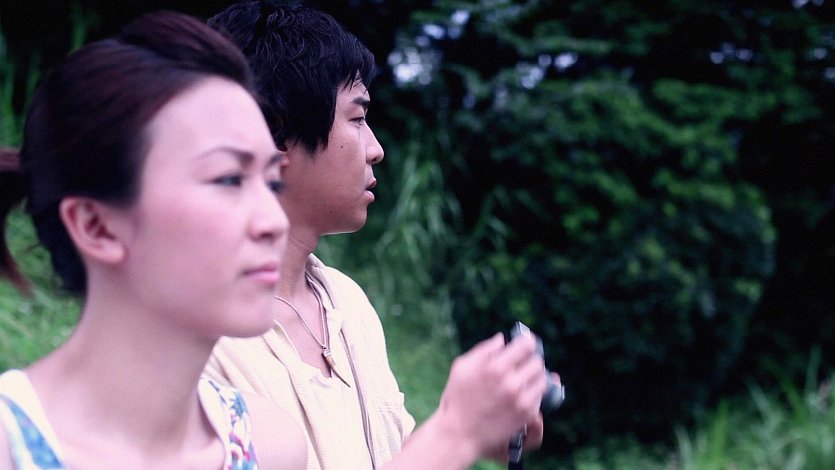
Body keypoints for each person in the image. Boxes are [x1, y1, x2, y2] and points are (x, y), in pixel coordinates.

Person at [205, 2, 555, 469]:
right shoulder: (196, 339)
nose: (376, 149)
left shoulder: (347, 303)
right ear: (277, 133)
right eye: (357, 118)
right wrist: (455, 430)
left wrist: (478, 428)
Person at [0, 11, 307, 469]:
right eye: (228, 179)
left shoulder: (271, 446)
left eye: (273, 182)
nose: (275, 221)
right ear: (97, 226)